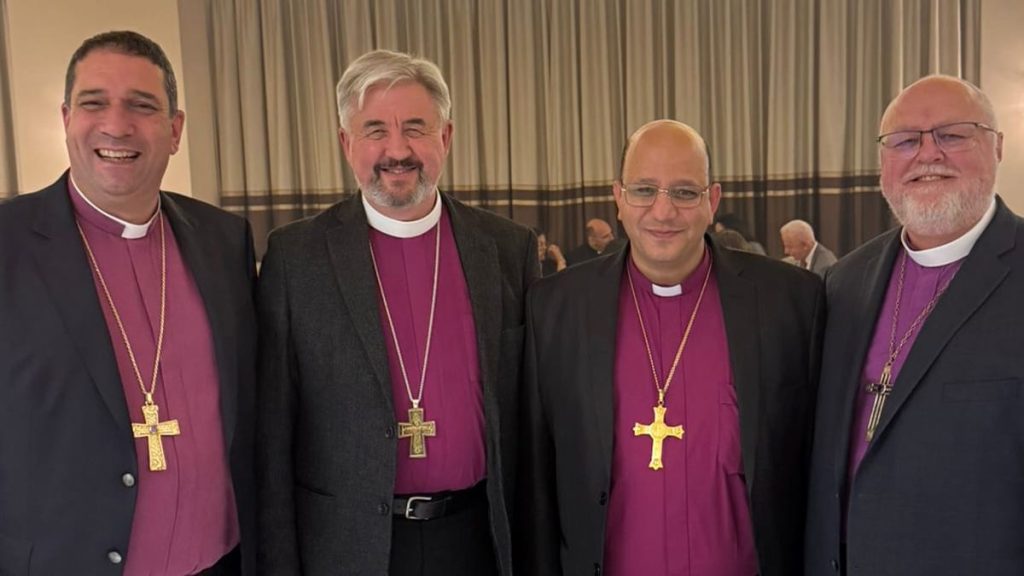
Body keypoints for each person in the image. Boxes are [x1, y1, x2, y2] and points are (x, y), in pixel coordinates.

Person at [256, 49, 538, 576]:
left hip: (478, 537)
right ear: (346, 143)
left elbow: (531, 419)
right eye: (375, 131)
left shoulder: (507, 248)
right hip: (350, 545)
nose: (398, 150)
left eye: (415, 128)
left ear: (446, 138)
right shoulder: (297, 258)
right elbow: (273, 438)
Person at [517, 119, 823, 576]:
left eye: (684, 192)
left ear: (712, 201)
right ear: (618, 198)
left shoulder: (790, 303)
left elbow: (814, 468)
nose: (663, 212)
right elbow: (538, 483)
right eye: (644, 190)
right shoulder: (556, 308)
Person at [0, 31, 257, 574]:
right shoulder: (9, 243)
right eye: (95, 103)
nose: (117, 125)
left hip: (220, 563)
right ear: (67, 118)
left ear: (175, 130)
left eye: (142, 106)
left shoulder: (223, 239)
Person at [805, 75, 1024, 576]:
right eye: (905, 141)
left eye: (952, 134)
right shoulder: (845, 281)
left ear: (998, 146)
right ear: (883, 163)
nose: (928, 154)